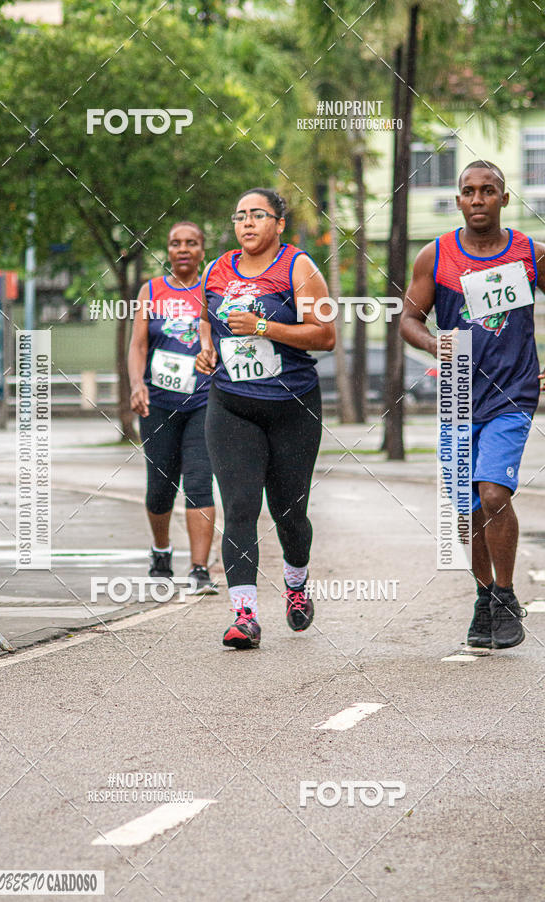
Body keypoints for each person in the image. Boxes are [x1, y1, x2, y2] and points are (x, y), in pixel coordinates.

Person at [400, 160, 545, 649]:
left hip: (512, 394)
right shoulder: (436, 255)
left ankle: (505, 595)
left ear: (504, 198)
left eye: (488, 190)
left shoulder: (530, 254)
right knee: (467, 510)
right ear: (459, 199)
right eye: (469, 191)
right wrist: (432, 342)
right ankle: (485, 597)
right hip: (459, 396)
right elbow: (409, 319)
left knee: (493, 495)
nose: (478, 199)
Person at [195, 188, 335, 649]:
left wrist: (263, 327)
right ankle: (245, 616)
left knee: (289, 513)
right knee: (239, 508)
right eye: (240, 216)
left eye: (258, 215)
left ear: (279, 223)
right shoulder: (217, 270)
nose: (248, 223)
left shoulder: (299, 268)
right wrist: (206, 349)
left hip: (292, 407)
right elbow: (207, 320)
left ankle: (296, 584)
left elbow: (325, 336)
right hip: (231, 404)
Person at [128, 221, 217, 595]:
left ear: (201, 250)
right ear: (168, 250)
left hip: (204, 402)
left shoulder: (212, 289)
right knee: (160, 489)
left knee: (199, 482)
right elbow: (138, 345)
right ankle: (161, 551)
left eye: (191, 243)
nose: (183, 249)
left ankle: (199, 569)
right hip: (159, 404)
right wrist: (137, 384)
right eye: (176, 243)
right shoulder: (151, 291)